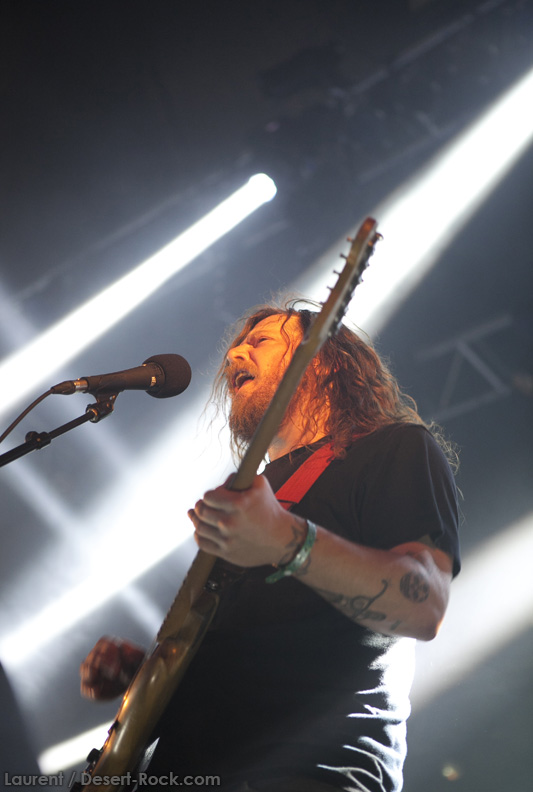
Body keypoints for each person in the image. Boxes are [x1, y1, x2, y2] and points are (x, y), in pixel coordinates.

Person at [80, 302, 461, 792]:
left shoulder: (394, 448)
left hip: (311, 772)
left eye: (260, 341)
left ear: (325, 363)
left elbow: (423, 608)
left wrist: (287, 540)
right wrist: (147, 678)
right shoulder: (257, 494)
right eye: (240, 345)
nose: (234, 353)